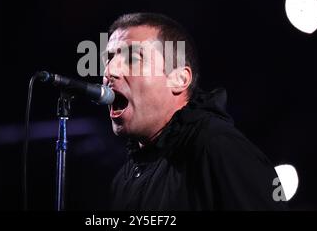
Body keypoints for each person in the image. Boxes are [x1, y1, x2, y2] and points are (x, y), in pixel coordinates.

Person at [102, 12, 288, 210]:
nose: (109, 71)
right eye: (109, 59)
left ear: (179, 79)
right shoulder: (124, 178)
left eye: (132, 58)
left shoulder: (219, 148)